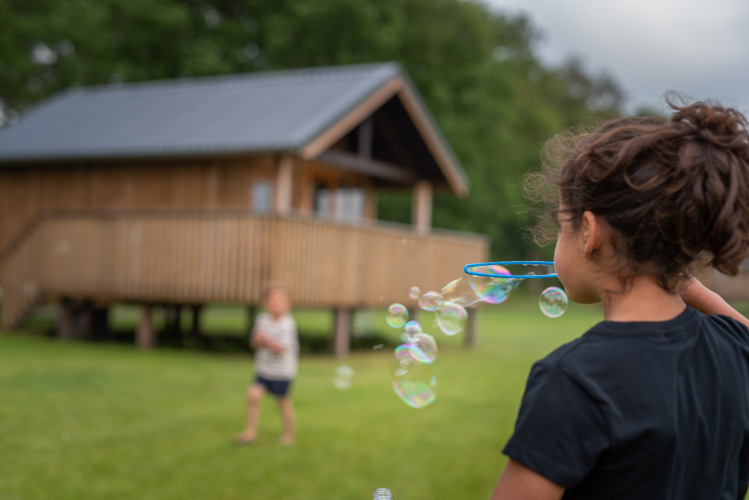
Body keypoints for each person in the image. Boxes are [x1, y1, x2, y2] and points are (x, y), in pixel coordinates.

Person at [491, 94, 749, 499]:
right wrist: (688, 285)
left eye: (562, 224)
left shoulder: (573, 380)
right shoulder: (735, 351)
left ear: (590, 232)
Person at [235, 283, 299, 446]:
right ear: (266, 304)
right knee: (253, 396)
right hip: (264, 369)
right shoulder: (262, 320)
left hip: (282, 372)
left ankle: (288, 435)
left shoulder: (287, 324)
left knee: (283, 403)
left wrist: (265, 340)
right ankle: (250, 432)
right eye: (272, 301)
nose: (275, 305)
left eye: (279, 302)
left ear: (287, 305)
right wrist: (257, 340)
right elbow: (253, 343)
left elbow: (280, 349)